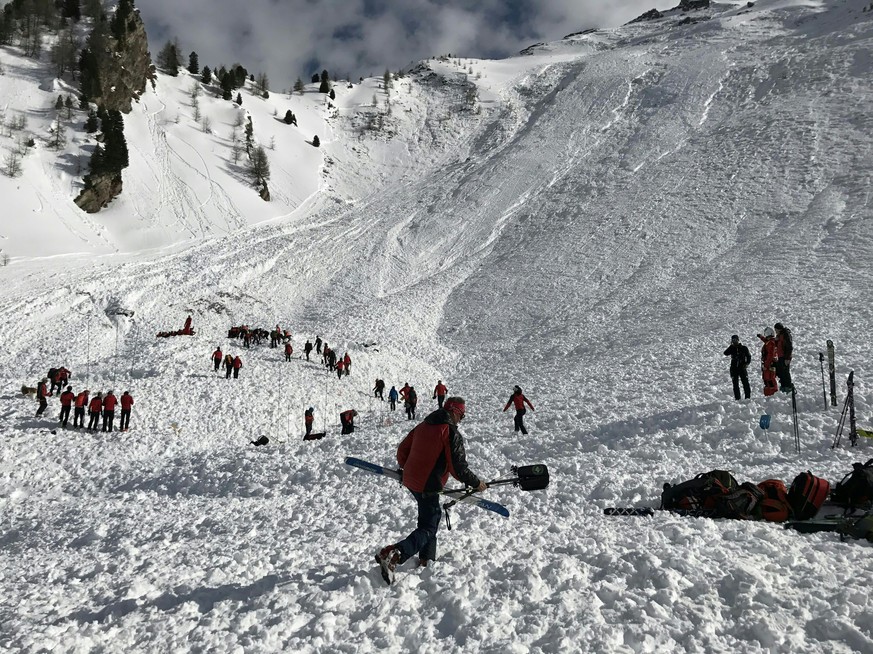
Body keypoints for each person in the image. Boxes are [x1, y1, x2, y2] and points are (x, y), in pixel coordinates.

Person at [375, 396, 487, 584]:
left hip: (412, 480)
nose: (461, 419)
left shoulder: (423, 425)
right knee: (429, 526)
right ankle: (394, 554)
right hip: (428, 484)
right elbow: (458, 467)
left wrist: (409, 468)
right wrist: (476, 483)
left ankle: (427, 559)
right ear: (454, 412)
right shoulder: (449, 432)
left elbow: (402, 450)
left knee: (429, 518)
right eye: (462, 415)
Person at [723, 335, 752, 400]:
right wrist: (731, 346)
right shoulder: (732, 348)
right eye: (733, 340)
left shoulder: (744, 348)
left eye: (735, 340)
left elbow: (749, 356)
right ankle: (737, 398)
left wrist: (747, 363)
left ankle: (747, 397)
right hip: (734, 368)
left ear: (738, 340)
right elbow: (725, 353)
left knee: (745, 382)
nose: (734, 341)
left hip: (742, 367)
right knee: (735, 384)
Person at [757, 327, 779, 397]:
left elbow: (770, 354)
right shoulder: (770, 341)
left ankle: (772, 393)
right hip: (768, 363)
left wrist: (766, 364)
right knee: (767, 379)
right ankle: (769, 393)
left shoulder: (771, 343)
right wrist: (760, 337)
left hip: (769, 364)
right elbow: (765, 341)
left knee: (769, 379)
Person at [774, 322, 794, 392]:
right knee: (781, 372)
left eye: (776, 329)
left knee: (785, 372)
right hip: (780, 356)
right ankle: (783, 386)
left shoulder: (785, 335)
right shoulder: (780, 335)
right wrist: (776, 340)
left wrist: (787, 358)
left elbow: (789, 347)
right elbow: (778, 346)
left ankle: (788, 387)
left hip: (785, 357)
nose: (775, 331)